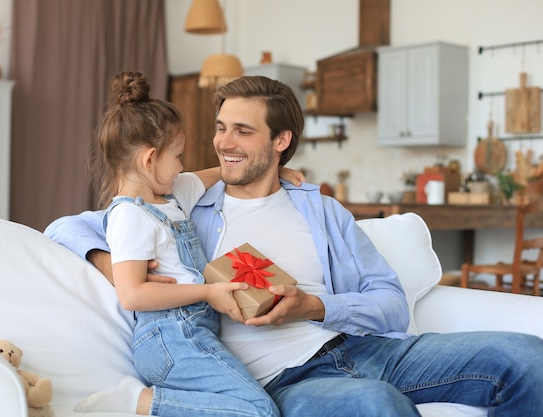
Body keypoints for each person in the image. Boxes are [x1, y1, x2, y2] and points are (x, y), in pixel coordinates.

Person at [46, 75, 543, 416]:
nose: (223, 142)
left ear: (280, 140)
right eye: (221, 128)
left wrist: (314, 305)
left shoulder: (321, 210)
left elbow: (390, 303)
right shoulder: (181, 200)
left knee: (525, 356)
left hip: (361, 349)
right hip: (283, 380)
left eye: (243, 131)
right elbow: (66, 226)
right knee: (376, 405)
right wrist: (120, 268)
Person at [72, 71, 307, 417]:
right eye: (178, 156)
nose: (183, 166)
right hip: (170, 336)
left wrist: (274, 168)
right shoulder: (130, 216)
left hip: (193, 332)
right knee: (260, 411)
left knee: (252, 408)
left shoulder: (170, 193)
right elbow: (132, 294)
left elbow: (216, 174)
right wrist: (208, 293)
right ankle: (137, 403)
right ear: (150, 159)